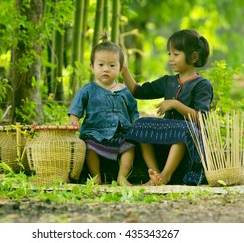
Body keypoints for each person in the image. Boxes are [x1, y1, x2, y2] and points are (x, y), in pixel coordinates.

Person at [121, 29, 213, 186]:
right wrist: (124, 71)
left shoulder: (202, 85)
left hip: (190, 143)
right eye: (169, 54)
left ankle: (166, 175)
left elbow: (201, 118)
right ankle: (155, 174)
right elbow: (138, 91)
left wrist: (175, 104)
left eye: (176, 54)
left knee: (184, 129)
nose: (171, 59)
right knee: (141, 124)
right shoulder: (168, 81)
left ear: (193, 57)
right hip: (165, 140)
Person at [68, 38, 139, 186]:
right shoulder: (88, 90)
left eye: (112, 65)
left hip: (121, 132)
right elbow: (77, 107)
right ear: (92, 66)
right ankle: (96, 176)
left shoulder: (124, 90)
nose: (106, 69)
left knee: (129, 147)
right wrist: (74, 119)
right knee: (89, 146)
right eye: (101, 65)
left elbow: (133, 110)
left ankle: (122, 176)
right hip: (95, 131)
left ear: (120, 69)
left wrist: (135, 123)